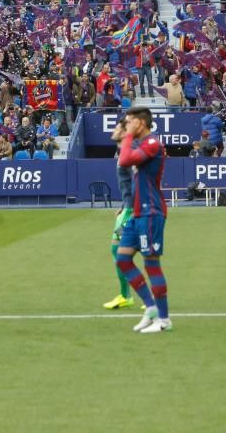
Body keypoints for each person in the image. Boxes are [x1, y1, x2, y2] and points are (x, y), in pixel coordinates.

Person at [115, 107, 171, 333]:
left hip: (151, 212)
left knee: (151, 264)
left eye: (130, 123)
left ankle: (164, 320)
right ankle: (150, 307)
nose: (127, 126)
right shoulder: (142, 144)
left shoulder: (152, 144)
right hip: (139, 212)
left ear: (140, 123)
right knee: (123, 258)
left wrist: (127, 135)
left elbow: (125, 160)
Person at [103, 116, 134, 310]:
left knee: (145, 255)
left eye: (117, 127)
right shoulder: (122, 151)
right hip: (129, 208)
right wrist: (124, 205)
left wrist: (132, 208)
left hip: (136, 210)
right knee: (119, 251)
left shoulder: (130, 153)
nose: (113, 130)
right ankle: (126, 295)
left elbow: (140, 182)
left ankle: (134, 296)